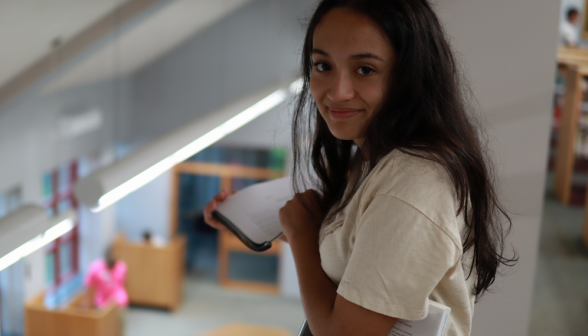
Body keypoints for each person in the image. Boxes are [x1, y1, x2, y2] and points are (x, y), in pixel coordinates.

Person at [204, 1, 517, 335]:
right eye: (322, 65)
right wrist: (252, 217)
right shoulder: (375, 154)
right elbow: (363, 248)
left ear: (410, 76)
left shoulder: (413, 185)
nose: (337, 92)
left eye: (365, 70)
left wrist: (302, 235)